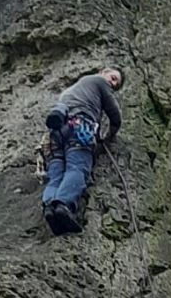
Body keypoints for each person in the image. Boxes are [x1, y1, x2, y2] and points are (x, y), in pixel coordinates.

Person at [42, 67, 123, 234]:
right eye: (113, 78)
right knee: (77, 168)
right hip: (79, 128)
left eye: (116, 83)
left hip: (55, 135)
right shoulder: (98, 81)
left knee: (56, 174)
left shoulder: (71, 90)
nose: (113, 84)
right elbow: (115, 114)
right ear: (103, 72)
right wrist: (110, 134)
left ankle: (49, 208)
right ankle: (63, 205)